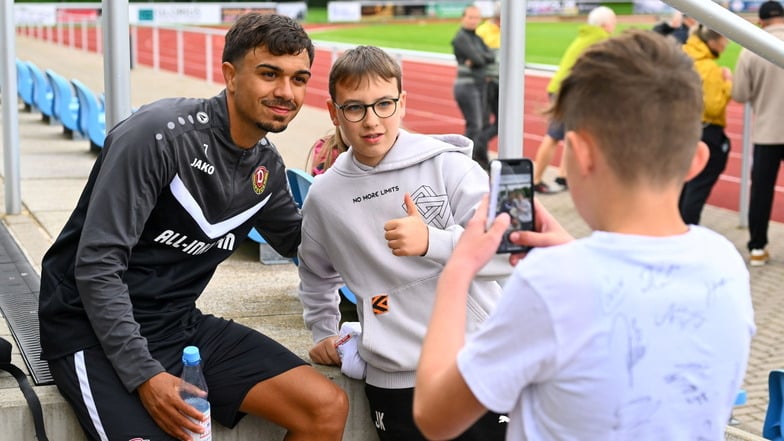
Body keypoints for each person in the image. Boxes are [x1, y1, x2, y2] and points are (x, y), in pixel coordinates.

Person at [414, 30, 755, 441]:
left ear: (580, 152)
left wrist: (458, 269)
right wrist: (578, 256)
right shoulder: (725, 262)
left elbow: (434, 415)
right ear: (697, 160)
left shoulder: (553, 284)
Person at [37, 13, 349, 441]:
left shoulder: (266, 168)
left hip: (176, 325)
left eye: (299, 79)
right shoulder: (157, 135)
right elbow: (96, 266)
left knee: (325, 406)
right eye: (269, 74)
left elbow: (307, 246)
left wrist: (360, 179)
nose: (286, 92)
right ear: (230, 75)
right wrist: (146, 376)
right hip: (87, 329)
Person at [297, 45, 508, 441]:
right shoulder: (324, 197)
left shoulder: (449, 167)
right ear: (333, 112)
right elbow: (313, 273)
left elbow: (509, 253)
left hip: (479, 367)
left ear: (402, 103)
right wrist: (323, 331)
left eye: (384, 104)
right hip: (394, 383)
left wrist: (435, 241)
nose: (371, 120)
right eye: (355, 108)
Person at [531, 5, 616, 194]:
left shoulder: (585, 36)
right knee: (554, 135)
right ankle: (535, 179)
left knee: (571, 134)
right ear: (604, 24)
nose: (615, 25)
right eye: (613, 22)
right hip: (567, 91)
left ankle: (563, 176)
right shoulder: (600, 39)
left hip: (564, 89)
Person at [731, 0, 784, 266]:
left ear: (761, 21)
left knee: (762, 192)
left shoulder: (752, 48)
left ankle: (757, 248)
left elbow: (740, 93)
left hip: (767, 132)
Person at [679, 25, 732, 226]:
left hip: (682, 129)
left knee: (682, 186)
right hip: (706, 132)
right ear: (711, 42)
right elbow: (712, 107)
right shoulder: (709, 68)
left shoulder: (682, 59)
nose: (726, 44)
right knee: (697, 188)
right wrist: (727, 85)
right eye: (723, 40)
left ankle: (676, 232)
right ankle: (687, 233)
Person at [452, 5, 497, 171]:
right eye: (470, 17)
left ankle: (481, 161)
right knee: (475, 126)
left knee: (482, 125)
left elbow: (489, 56)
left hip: (479, 85)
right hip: (467, 86)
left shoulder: (476, 37)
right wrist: (479, 59)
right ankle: (463, 162)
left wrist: (480, 58)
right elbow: (479, 59)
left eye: (476, 18)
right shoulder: (461, 38)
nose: (473, 21)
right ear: (463, 18)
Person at [475, 5, 501, 154]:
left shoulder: (504, 31)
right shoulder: (483, 31)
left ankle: (479, 145)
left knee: (501, 122)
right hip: (486, 82)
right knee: (483, 121)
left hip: (499, 82)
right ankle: (479, 151)